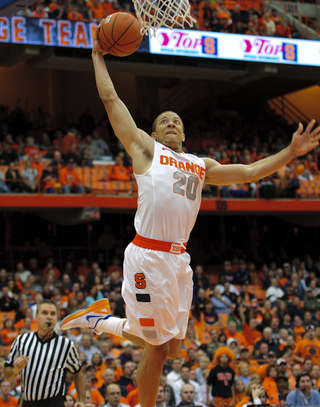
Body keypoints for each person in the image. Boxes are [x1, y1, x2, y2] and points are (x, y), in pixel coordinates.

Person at [60, 25, 320, 407]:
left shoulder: (201, 165)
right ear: (152, 132)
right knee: (158, 350)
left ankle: (102, 321)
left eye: (177, 121)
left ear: (184, 134)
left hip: (179, 260)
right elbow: (112, 100)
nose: (171, 123)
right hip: (148, 255)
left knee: (174, 347)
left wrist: (289, 153)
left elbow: (248, 172)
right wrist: (98, 56)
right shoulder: (146, 151)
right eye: (164, 120)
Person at [4, 300, 85, 407]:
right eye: (44, 313)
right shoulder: (21, 340)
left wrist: (82, 400)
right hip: (28, 403)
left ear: (57, 318)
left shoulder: (66, 345)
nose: (49, 317)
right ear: (36, 317)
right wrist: (15, 370)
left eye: (53, 314)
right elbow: (7, 375)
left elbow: (78, 373)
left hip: (54, 403)